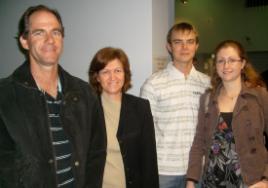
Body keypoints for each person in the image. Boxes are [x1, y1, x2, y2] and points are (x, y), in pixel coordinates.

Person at [0, 5, 106, 188]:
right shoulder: (5, 96)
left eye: (55, 32)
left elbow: (96, 153)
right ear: (24, 41)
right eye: (39, 33)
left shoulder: (85, 94)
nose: (50, 40)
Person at [186, 40, 268, 188]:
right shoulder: (207, 99)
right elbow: (198, 143)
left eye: (231, 60)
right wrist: (191, 180)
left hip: (251, 182)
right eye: (221, 61)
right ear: (215, 65)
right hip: (212, 181)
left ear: (242, 64)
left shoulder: (259, 96)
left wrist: (266, 179)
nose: (226, 66)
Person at [140, 22, 210, 187]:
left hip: (199, 169)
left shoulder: (207, 84)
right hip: (164, 172)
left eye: (190, 41)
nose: (184, 47)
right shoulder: (153, 84)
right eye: (178, 42)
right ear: (169, 47)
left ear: (196, 46)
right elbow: (144, 132)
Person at [88, 47, 159, 188]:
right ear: (97, 76)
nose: (112, 77)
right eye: (105, 72)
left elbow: (149, 160)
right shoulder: (87, 108)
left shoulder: (141, 108)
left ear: (125, 74)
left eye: (117, 71)